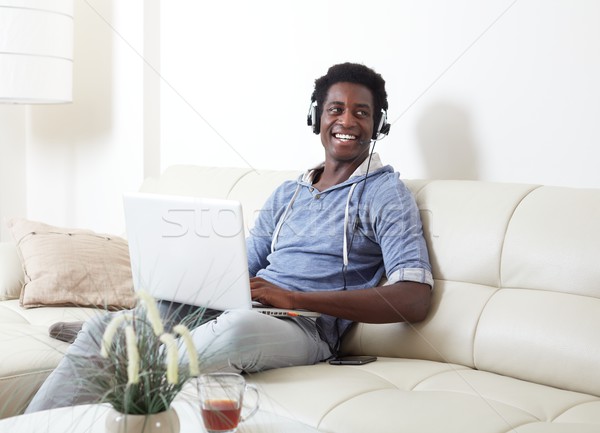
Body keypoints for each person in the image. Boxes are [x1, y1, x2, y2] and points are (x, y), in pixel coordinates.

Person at [25, 62, 433, 413]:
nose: (347, 121)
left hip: (307, 328)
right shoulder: (288, 193)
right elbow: (242, 266)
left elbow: (413, 297)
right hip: (244, 309)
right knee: (104, 330)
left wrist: (293, 299)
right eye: (336, 109)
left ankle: (133, 355)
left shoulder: (386, 194)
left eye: (361, 112)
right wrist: (188, 282)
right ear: (316, 118)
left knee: (237, 327)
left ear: (378, 124)